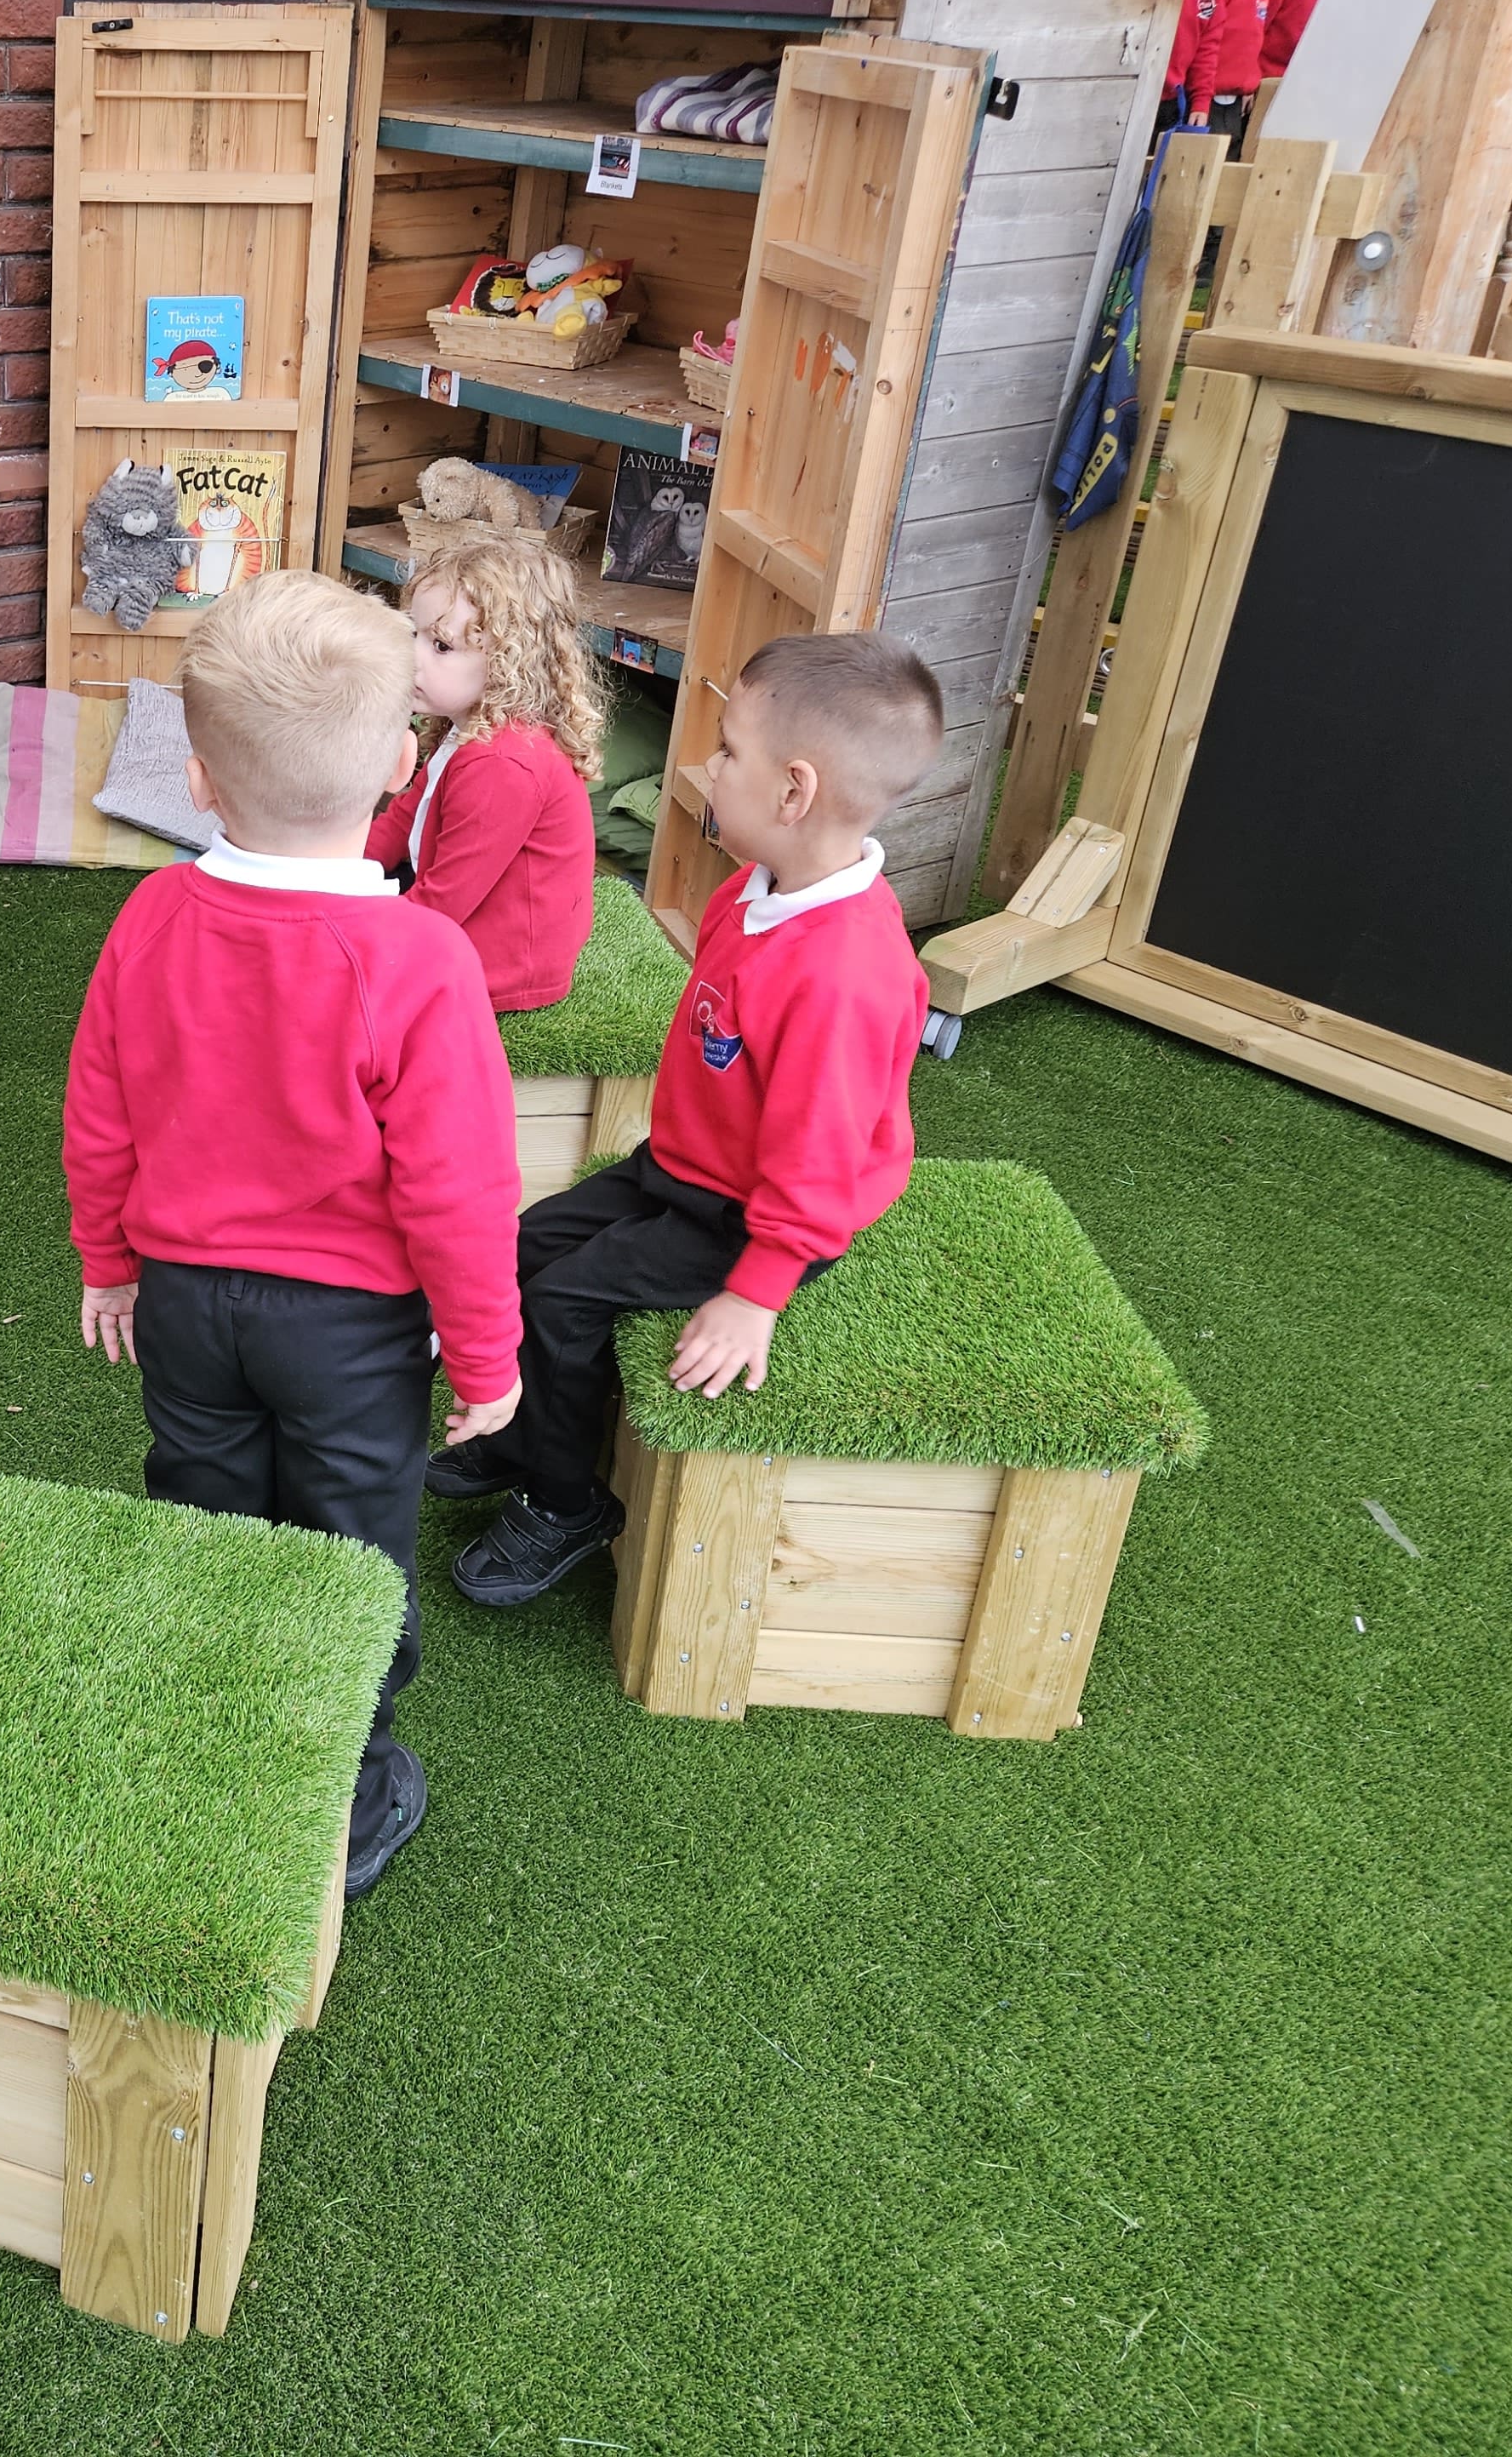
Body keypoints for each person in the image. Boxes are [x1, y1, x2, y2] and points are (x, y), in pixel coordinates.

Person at [63, 571, 522, 1900]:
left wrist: (109, 1259)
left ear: (199, 780)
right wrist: (486, 1364)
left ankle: (208, 1724)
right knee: (349, 1538)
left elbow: (101, 1110)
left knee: (205, 1502)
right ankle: (345, 1772)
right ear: (396, 765)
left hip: (190, 1305)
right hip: (349, 1333)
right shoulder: (423, 961)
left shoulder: (150, 917)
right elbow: (459, 1190)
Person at [438, 631, 937, 1608]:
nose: (702, 766)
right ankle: (520, 1431)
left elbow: (821, 1161)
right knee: (514, 1252)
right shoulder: (761, 888)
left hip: (755, 1215)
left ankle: (563, 1501)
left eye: (726, 751)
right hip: (685, 1168)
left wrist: (757, 1291)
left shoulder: (844, 975)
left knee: (562, 1302)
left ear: (794, 793)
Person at [364, 525, 605, 1012]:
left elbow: (443, 904)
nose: (412, 659)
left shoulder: (502, 762)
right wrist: (336, 866)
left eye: (442, 647)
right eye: (417, 634)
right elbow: (403, 818)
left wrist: (363, 931)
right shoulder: (469, 725)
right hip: (462, 918)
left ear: (506, 664)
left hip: (501, 964)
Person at [1162, 0, 1275, 138]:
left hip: (1229, 100)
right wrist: (1201, 99)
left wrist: (1250, 82)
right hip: (1193, 95)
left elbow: (1256, 39)